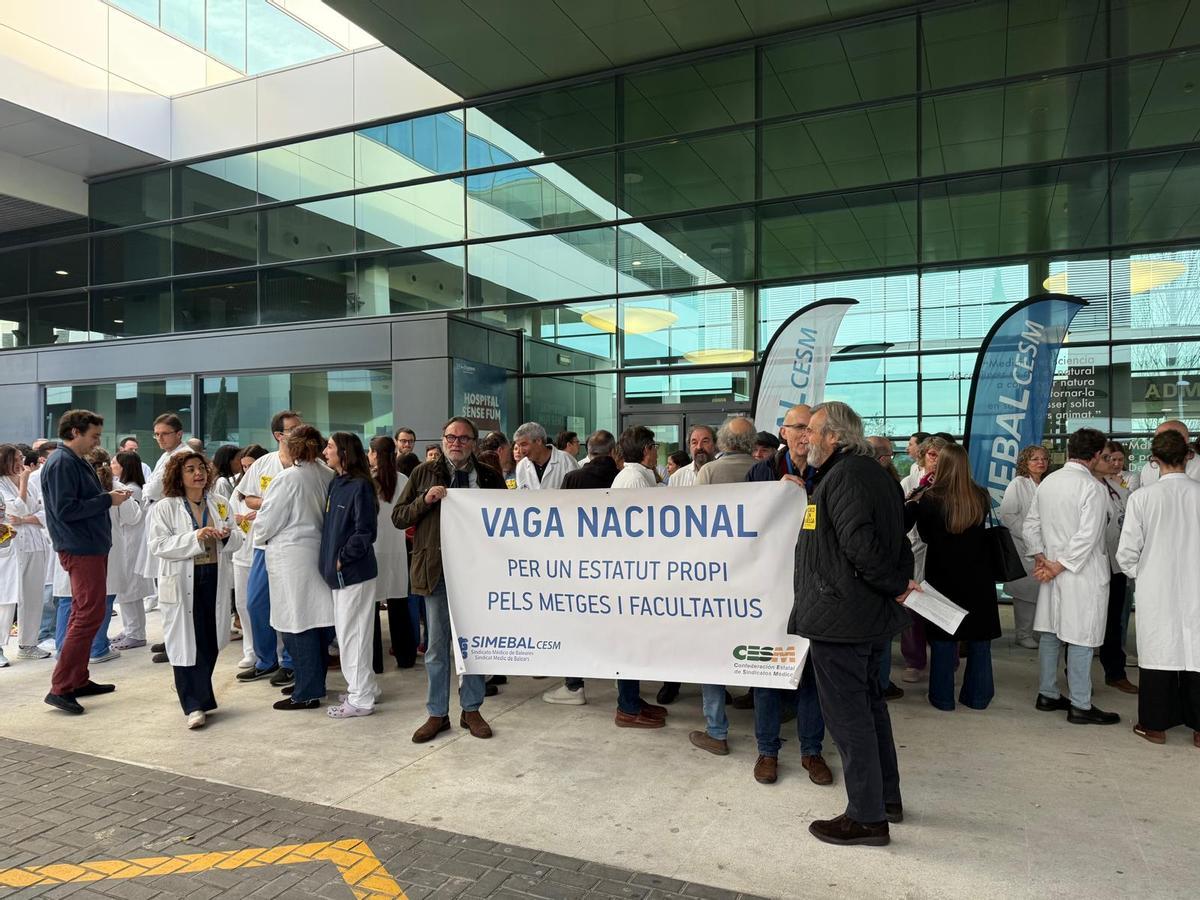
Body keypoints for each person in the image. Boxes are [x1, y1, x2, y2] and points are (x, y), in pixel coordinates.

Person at [792, 401, 913, 847]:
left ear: (835, 437)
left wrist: (894, 583)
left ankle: (866, 817)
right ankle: (886, 801)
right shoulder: (869, 473)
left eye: (813, 431)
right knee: (871, 709)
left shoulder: (844, 476)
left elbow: (859, 545)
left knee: (849, 719)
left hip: (842, 617)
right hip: (860, 613)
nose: (806, 438)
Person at [394, 416, 506, 742]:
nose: (456, 443)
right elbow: (399, 517)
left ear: (474, 442)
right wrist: (424, 500)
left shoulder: (487, 476)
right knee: (437, 647)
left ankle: (471, 709)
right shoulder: (422, 473)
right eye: (450, 437)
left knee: (474, 645)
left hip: (477, 573)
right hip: (437, 570)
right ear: (443, 440)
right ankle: (436, 714)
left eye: (463, 438)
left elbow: (506, 519)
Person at [742, 404, 833, 785]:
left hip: (815, 587)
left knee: (812, 673)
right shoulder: (761, 473)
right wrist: (774, 498)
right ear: (783, 432)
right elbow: (743, 525)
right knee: (768, 671)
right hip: (770, 589)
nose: (805, 436)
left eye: (811, 429)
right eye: (799, 428)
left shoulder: (829, 471)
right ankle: (767, 750)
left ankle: (812, 751)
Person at [1024, 427, 1120, 725]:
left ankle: (1048, 694)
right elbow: (1088, 536)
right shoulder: (1092, 487)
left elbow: (1030, 524)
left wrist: (1042, 557)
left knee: (1052, 632)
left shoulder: (1049, 482)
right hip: (1080, 572)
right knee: (1081, 636)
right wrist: (1058, 564)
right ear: (1095, 455)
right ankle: (1080, 703)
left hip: (1052, 568)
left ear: (1069, 451)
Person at [41, 409, 133, 714]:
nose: (97, 442)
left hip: (89, 546)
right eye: (93, 436)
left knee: (86, 612)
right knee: (87, 614)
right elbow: (66, 509)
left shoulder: (73, 461)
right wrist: (108, 499)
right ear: (75, 432)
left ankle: (77, 679)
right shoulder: (62, 462)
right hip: (80, 547)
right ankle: (62, 686)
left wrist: (106, 496)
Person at [1115, 429, 1200, 747]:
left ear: (1153, 460)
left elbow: (1126, 553)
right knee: (1197, 651)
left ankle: (1154, 724)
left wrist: (1144, 575)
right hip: (1197, 585)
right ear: (1188, 455)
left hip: (1156, 588)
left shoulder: (1142, 498)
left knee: (1158, 652)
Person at [148, 450, 241, 729]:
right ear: (178, 474)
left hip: (213, 575)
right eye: (190, 469)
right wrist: (195, 537)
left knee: (210, 640)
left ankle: (198, 695)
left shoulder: (221, 504)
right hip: (181, 579)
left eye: (201, 468)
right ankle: (194, 705)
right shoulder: (165, 507)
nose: (198, 473)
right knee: (185, 644)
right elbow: (158, 546)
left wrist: (226, 537)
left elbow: (238, 537)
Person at [906, 443, 1000, 711]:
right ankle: (978, 697)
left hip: (943, 573)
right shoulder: (981, 495)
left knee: (943, 637)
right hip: (979, 574)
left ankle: (942, 698)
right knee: (980, 639)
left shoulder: (930, 498)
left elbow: (922, 535)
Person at [252, 425, 334, 711]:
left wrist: (255, 533)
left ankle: (306, 691)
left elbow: (267, 520)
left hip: (291, 557)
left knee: (297, 625)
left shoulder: (287, 479)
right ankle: (312, 680)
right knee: (319, 622)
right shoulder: (328, 474)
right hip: (319, 553)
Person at [542, 430, 620, 707]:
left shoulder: (574, 478)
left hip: (579, 564)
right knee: (616, 620)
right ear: (613, 452)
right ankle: (621, 676)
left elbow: (561, 521)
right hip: (617, 564)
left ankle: (574, 686)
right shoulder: (621, 478)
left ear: (589, 450)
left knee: (574, 623)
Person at [607, 426, 671, 727]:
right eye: (655, 446)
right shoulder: (634, 479)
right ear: (647, 449)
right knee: (629, 642)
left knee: (634, 640)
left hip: (636, 571)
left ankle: (631, 699)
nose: (657, 451)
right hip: (632, 574)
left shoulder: (639, 476)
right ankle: (627, 707)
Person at [235, 410, 304, 684]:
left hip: (297, 547)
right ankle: (265, 660)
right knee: (256, 603)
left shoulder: (309, 463)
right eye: (293, 429)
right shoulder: (263, 464)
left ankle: (290, 662)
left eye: (301, 427)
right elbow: (246, 497)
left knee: (291, 605)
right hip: (265, 545)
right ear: (279, 435)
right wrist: (271, 503)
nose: (300, 432)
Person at [320, 433, 380, 719]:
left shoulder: (360, 486)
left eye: (330, 447)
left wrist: (343, 559)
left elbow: (365, 531)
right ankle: (364, 687)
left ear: (344, 452)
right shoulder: (337, 482)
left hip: (353, 573)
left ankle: (360, 699)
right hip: (340, 574)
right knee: (352, 635)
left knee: (352, 636)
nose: (325, 451)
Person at [899, 435, 950, 683]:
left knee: (941, 605)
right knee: (912, 609)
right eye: (932, 455)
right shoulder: (909, 482)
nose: (936, 461)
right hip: (914, 551)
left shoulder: (951, 484)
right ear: (922, 455)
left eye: (942, 457)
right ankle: (914, 660)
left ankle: (946, 658)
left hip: (941, 555)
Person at [0, 443, 52, 663]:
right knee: (7, 598)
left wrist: (25, 519)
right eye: (17, 458)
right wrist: (22, 483)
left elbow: (43, 510)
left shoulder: (30, 483)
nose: (22, 462)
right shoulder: (4, 484)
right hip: (11, 547)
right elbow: (17, 510)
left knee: (33, 596)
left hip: (34, 543)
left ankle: (28, 644)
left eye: (22, 457)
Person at [369, 435, 413, 669]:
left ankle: (375, 662)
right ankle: (405, 657)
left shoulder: (368, 480)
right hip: (397, 550)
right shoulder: (404, 479)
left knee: (371, 610)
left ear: (374, 454)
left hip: (374, 549)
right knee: (399, 605)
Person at [999, 446, 1049, 649]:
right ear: (1025, 463)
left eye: (1044, 458)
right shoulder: (1018, 484)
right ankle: (1023, 633)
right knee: (1025, 594)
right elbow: (1008, 515)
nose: (1040, 462)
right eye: (1035, 459)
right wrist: (1030, 537)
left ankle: (1038, 631)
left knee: (1041, 592)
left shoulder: (1048, 484)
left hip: (1046, 547)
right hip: (1024, 547)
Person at [1097, 440, 1136, 694]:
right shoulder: (1089, 486)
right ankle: (1075, 674)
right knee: (1088, 620)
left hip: (1116, 565)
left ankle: (1115, 672)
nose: (1113, 463)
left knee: (1114, 621)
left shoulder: (1119, 488)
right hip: (1093, 564)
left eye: (1116, 459)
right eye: (1107, 458)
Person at [106, 451, 153, 651]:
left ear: (124, 466)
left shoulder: (131, 490)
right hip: (128, 542)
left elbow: (129, 518)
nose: (111, 465)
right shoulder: (131, 487)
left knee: (130, 590)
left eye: (114, 463)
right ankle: (130, 629)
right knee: (127, 590)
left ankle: (136, 633)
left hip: (131, 543)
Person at [228, 444, 268, 670]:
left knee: (263, 605)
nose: (247, 471)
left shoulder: (272, 483)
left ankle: (273, 651)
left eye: (251, 466)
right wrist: (239, 517)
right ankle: (250, 650)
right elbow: (227, 515)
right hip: (241, 553)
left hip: (263, 550)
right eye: (244, 467)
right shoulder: (238, 489)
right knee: (243, 604)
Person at [1131, 420, 1200, 489]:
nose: (1158, 442)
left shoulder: (1197, 465)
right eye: (1156, 438)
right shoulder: (1148, 468)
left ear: (1184, 440)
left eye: (1164, 437)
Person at [514, 422, 580, 490]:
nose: (521, 451)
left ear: (538, 441)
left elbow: (578, 493)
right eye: (519, 446)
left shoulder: (567, 461)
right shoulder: (521, 466)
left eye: (524, 445)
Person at [696, 417, 757, 484]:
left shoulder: (708, 471)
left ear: (723, 439)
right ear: (753, 440)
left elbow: (698, 494)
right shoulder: (765, 470)